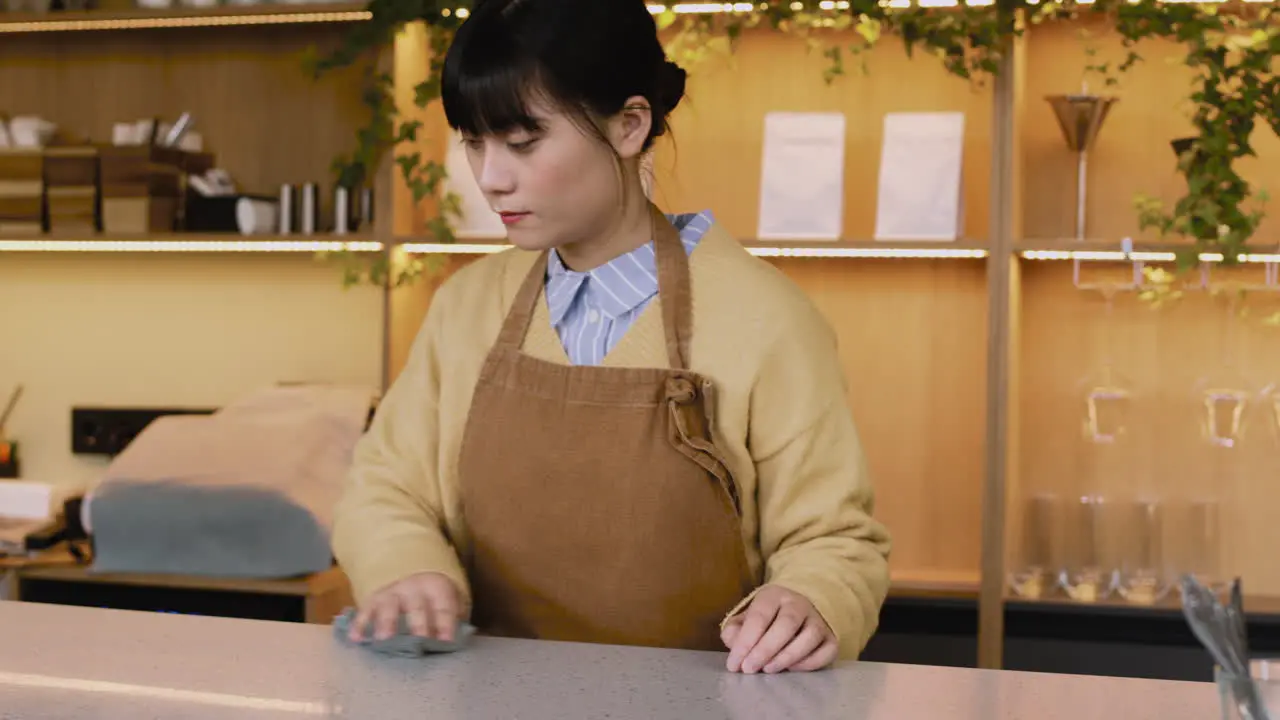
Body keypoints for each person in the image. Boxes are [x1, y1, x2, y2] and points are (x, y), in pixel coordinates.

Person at [332, 0, 891, 675]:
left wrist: (813, 598)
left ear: (630, 125)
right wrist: (406, 568)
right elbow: (387, 486)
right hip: (480, 696)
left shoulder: (768, 321)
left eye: (523, 140)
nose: (490, 176)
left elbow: (835, 539)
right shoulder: (464, 308)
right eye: (474, 141)